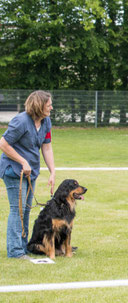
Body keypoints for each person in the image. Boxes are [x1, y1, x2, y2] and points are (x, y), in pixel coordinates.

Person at [0, 90, 56, 260]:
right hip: (13, 171)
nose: (51, 108)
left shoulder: (46, 122)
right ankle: (15, 251)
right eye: (49, 105)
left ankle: (23, 247)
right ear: (39, 106)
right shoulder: (21, 121)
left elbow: (46, 146)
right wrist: (22, 161)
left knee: (25, 210)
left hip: (31, 173)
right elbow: (3, 143)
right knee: (17, 210)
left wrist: (52, 171)